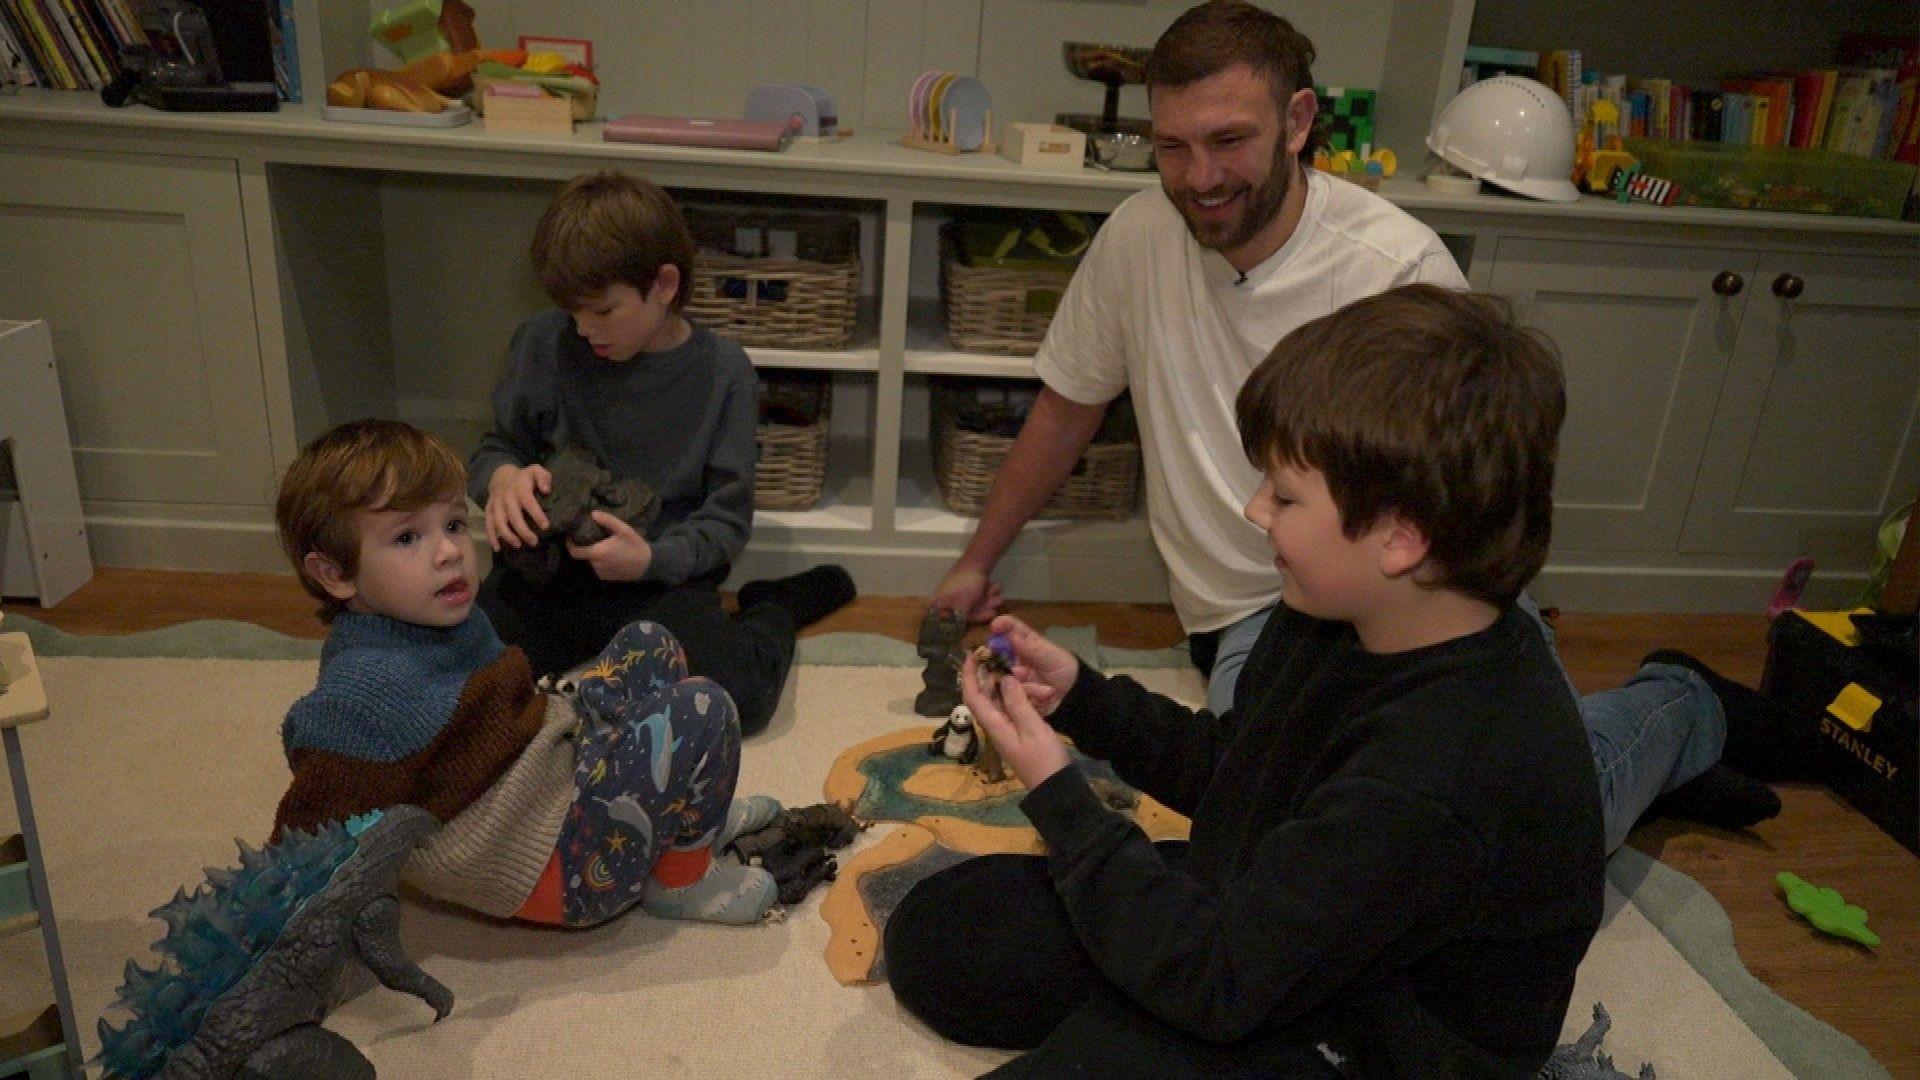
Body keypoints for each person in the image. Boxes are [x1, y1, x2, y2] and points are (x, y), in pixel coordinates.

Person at [926, 0, 1774, 852]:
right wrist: (975, 561)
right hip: (1257, 612)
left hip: (1417, 591)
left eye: (1228, 141)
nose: (1198, 177)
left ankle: (1677, 704)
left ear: (1298, 121)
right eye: (1171, 148)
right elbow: (1067, 408)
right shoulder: (1137, 236)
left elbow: (1470, 494)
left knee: (1529, 836)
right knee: (1291, 827)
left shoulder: (1399, 269)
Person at [888, 285, 1605, 1077]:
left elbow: (1221, 986)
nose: (1254, 508)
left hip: (1376, 1039)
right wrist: (1086, 702)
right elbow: (1243, 769)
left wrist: (1062, 800)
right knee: (943, 938)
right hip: (1279, 932)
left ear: (1400, 535)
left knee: (1130, 1013)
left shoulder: (1441, 766)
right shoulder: (1332, 610)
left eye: (1286, 494)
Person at [272, 419, 782, 927]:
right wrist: (276, 915)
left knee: (650, 641)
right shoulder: (362, 691)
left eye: (452, 525)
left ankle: (684, 824)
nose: (450, 551)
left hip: (552, 779)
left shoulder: (437, 618)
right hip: (559, 868)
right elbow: (310, 822)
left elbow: (513, 711)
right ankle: (679, 879)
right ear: (335, 574)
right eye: (407, 537)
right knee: (703, 708)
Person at [470, 170, 855, 736]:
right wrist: (502, 480)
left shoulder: (724, 373)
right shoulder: (543, 342)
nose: (584, 330)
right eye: (573, 312)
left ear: (665, 285)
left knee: (738, 701)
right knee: (466, 681)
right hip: (550, 577)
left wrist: (651, 560)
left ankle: (774, 607)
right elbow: (497, 447)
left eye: (602, 312)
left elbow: (725, 522)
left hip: (658, 576)